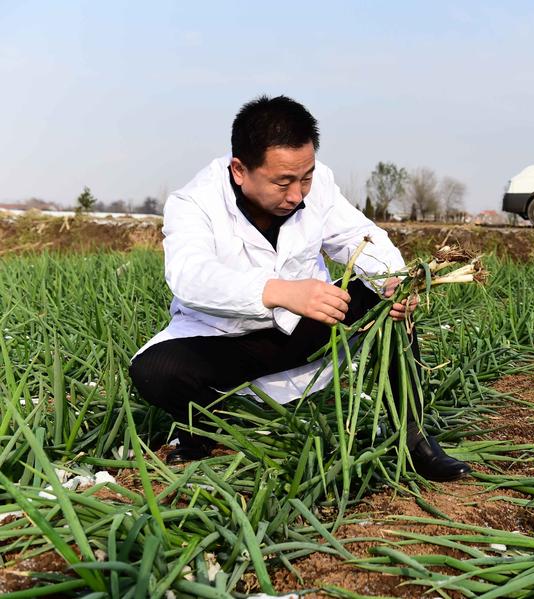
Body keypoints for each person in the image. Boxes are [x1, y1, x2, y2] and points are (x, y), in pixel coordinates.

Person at [129, 95, 471, 482]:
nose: (297, 194)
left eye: (305, 178)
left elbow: (358, 236)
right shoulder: (194, 202)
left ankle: (412, 437)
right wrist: (278, 292)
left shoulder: (318, 182)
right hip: (231, 341)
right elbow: (190, 276)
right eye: (283, 182)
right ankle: (212, 429)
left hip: (311, 328)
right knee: (154, 371)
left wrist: (392, 278)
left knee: (389, 297)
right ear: (239, 170)